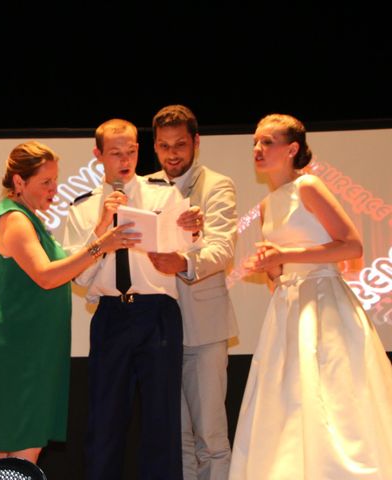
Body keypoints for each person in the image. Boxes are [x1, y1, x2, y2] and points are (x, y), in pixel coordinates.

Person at [229, 114, 392, 479]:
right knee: (288, 397)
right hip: (287, 306)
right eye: (255, 141)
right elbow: (282, 272)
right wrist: (271, 267)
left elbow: (351, 246)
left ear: (292, 149)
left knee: (330, 395)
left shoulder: (310, 187)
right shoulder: (270, 203)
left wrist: (285, 255)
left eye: (268, 142)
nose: (258, 148)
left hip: (322, 302)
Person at [0, 140, 134, 465]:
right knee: (22, 448)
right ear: (19, 182)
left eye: (55, 180)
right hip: (17, 347)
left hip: (30, 345)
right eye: (45, 182)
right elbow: (46, 276)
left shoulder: (29, 218)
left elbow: (66, 267)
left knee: (12, 450)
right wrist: (102, 244)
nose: (53, 189)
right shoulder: (15, 221)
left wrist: (100, 228)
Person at [63, 118, 196, 480]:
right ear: (98, 155)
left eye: (132, 151)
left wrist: (190, 234)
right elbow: (79, 275)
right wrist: (102, 228)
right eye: (116, 153)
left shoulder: (164, 194)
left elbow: (184, 253)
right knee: (105, 420)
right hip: (110, 314)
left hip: (157, 313)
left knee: (161, 421)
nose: (125, 160)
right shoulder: (83, 207)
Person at [146, 105, 238, 480]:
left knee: (211, 437)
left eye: (180, 145)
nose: (172, 154)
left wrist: (182, 260)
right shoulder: (145, 186)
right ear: (154, 146)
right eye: (165, 146)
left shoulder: (217, 185)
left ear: (196, 142)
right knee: (176, 438)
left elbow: (222, 249)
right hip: (156, 332)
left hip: (203, 328)